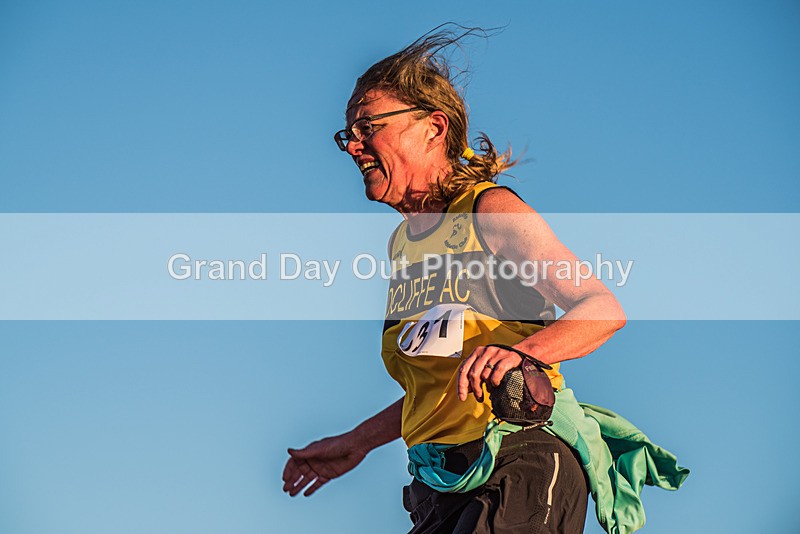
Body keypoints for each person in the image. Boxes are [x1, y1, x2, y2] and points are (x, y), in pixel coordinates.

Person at [283, 28, 688, 534]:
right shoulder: (403, 245)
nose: (353, 147)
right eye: (348, 134)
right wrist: (357, 441)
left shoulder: (489, 210)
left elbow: (602, 309)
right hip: (440, 485)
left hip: (519, 462)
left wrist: (524, 352)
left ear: (433, 127)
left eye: (368, 127)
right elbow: (442, 385)